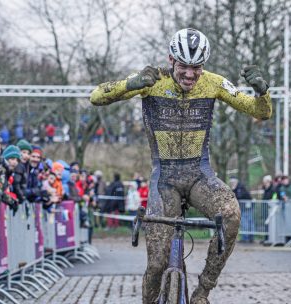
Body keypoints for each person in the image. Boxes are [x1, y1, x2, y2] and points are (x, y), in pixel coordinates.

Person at [90, 28, 272, 303]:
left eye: (196, 67)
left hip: (200, 176)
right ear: (171, 60)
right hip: (164, 180)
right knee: (156, 265)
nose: (190, 74)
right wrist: (133, 84)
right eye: (184, 66)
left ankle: (203, 291)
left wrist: (262, 91)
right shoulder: (152, 80)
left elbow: (261, 112)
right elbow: (96, 96)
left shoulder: (213, 83)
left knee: (231, 214)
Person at [229, 176, 253, 243]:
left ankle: (247, 238)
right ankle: (248, 237)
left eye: (233, 182)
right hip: (244, 207)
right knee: (247, 222)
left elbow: (239, 196)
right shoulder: (238, 187)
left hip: (246, 207)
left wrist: (233, 190)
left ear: (236, 181)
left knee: (247, 222)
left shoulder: (240, 187)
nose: (232, 184)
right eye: (231, 183)